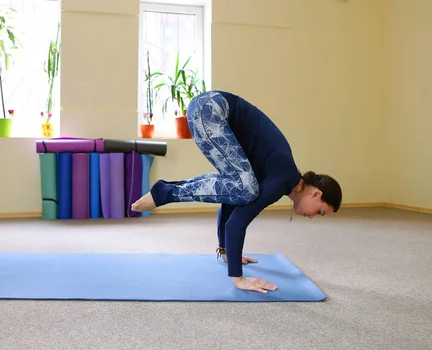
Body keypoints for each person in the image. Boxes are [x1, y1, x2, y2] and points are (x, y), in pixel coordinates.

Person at [131, 90, 342, 294]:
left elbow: (232, 201)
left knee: (240, 188)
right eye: (320, 211)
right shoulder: (284, 178)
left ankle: (165, 191)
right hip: (211, 110)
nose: (313, 216)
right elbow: (237, 222)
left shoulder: (280, 175)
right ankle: (164, 193)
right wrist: (238, 277)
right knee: (245, 189)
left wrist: (227, 252)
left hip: (208, 107)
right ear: (316, 194)